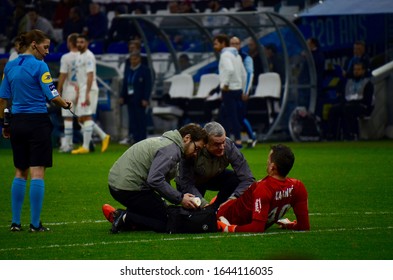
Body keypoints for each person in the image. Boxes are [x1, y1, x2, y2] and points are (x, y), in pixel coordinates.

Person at [0, 29, 72, 232]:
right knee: (37, 172)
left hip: (17, 122)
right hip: (37, 122)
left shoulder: (10, 66)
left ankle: (15, 223)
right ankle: (34, 224)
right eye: (45, 47)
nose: (47, 51)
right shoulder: (40, 66)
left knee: (20, 171)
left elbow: (3, 99)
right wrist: (65, 104)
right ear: (34, 44)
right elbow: (52, 95)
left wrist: (5, 124)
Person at [102, 123, 208, 233]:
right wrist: (180, 198)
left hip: (119, 185)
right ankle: (125, 217)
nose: (195, 154)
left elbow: (161, 179)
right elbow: (155, 179)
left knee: (160, 212)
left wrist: (176, 198)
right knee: (166, 222)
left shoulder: (168, 142)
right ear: (187, 138)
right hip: (129, 188)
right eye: (196, 148)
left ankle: (130, 218)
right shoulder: (172, 150)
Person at [216, 144, 310, 233]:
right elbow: (304, 226)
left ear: (273, 167)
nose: (267, 162)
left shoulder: (264, 188)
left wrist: (230, 228)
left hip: (223, 215)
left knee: (209, 208)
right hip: (231, 206)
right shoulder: (298, 186)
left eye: (269, 160)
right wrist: (289, 225)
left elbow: (257, 228)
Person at [176, 121, 255, 209]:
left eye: (223, 142)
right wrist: (203, 204)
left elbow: (247, 178)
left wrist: (233, 198)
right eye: (217, 144)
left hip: (213, 177)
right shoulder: (193, 150)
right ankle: (208, 210)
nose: (222, 147)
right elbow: (186, 184)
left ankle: (218, 208)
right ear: (205, 144)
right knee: (196, 215)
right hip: (192, 182)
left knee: (235, 179)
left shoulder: (229, 146)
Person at [71, 34, 110, 154]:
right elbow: (79, 77)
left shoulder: (89, 56)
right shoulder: (79, 56)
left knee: (86, 116)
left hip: (89, 89)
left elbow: (90, 75)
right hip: (82, 89)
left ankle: (86, 147)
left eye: (82, 42)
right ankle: (103, 136)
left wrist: (87, 93)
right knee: (81, 119)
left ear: (87, 43)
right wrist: (78, 92)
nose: (79, 44)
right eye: (78, 42)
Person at [213, 34, 246, 148]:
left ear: (223, 44)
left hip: (229, 89)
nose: (214, 46)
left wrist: (224, 84)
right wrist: (243, 88)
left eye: (216, 43)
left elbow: (229, 69)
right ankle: (229, 140)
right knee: (229, 114)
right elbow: (243, 74)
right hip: (237, 89)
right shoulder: (237, 55)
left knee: (230, 116)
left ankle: (237, 140)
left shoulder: (225, 55)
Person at [327, 61, 374, 141]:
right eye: (355, 69)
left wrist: (353, 102)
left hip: (362, 105)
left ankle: (351, 134)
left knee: (349, 109)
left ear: (363, 71)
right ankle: (333, 135)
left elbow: (368, 100)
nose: (356, 71)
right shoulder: (348, 82)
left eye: (358, 69)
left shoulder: (368, 83)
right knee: (333, 109)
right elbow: (343, 95)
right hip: (348, 104)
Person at [119, 51, 152, 145]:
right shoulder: (129, 70)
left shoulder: (145, 70)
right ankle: (134, 138)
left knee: (141, 119)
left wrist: (146, 98)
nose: (133, 61)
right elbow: (125, 84)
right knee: (132, 119)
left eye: (135, 59)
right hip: (130, 98)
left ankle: (142, 139)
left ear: (139, 59)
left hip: (140, 99)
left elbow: (147, 86)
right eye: (131, 59)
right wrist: (122, 96)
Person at [230, 36, 257, 148]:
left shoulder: (246, 58)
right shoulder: (229, 57)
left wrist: (246, 91)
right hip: (232, 91)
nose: (234, 46)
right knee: (235, 116)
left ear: (240, 45)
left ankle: (252, 137)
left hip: (242, 92)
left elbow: (249, 75)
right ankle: (242, 138)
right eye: (232, 43)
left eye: (236, 43)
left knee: (240, 117)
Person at [57, 33, 79, 153]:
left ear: (70, 43)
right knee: (84, 118)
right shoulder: (83, 55)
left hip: (69, 89)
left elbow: (63, 75)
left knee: (68, 118)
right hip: (80, 89)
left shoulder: (66, 57)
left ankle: (68, 145)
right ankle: (89, 142)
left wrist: (58, 89)